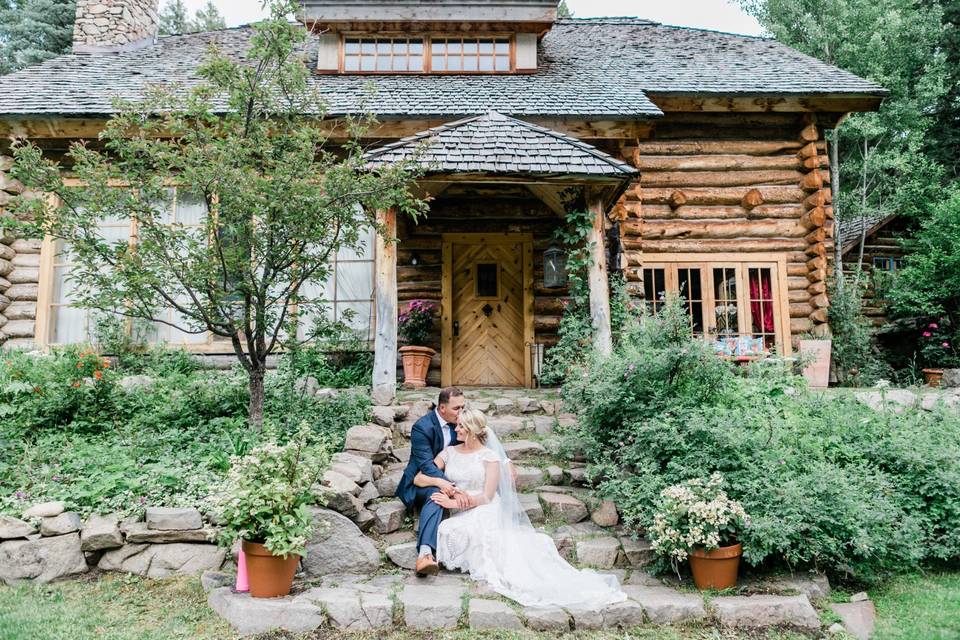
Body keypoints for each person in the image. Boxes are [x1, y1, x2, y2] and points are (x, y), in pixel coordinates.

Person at [413, 408, 627, 609]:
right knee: (447, 529)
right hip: (462, 507)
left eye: (460, 426)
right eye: (457, 425)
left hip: (484, 507)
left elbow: (487, 497)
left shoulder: (489, 457)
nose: (456, 429)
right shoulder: (449, 452)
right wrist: (443, 485)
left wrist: (454, 503)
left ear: (471, 431)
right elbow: (419, 478)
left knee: (470, 531)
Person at [395, 386, 469, 576]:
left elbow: (482, 435)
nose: (461, 412)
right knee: (435, 495)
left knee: (440, 491)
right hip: (418, 482)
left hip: (448, 480)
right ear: (442, 408)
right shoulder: (422, 427)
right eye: (456, 408)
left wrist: (504, 460)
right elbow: (427, 466)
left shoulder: (461, 423)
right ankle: (425, 554)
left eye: (463, 407)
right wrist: (447, 485)